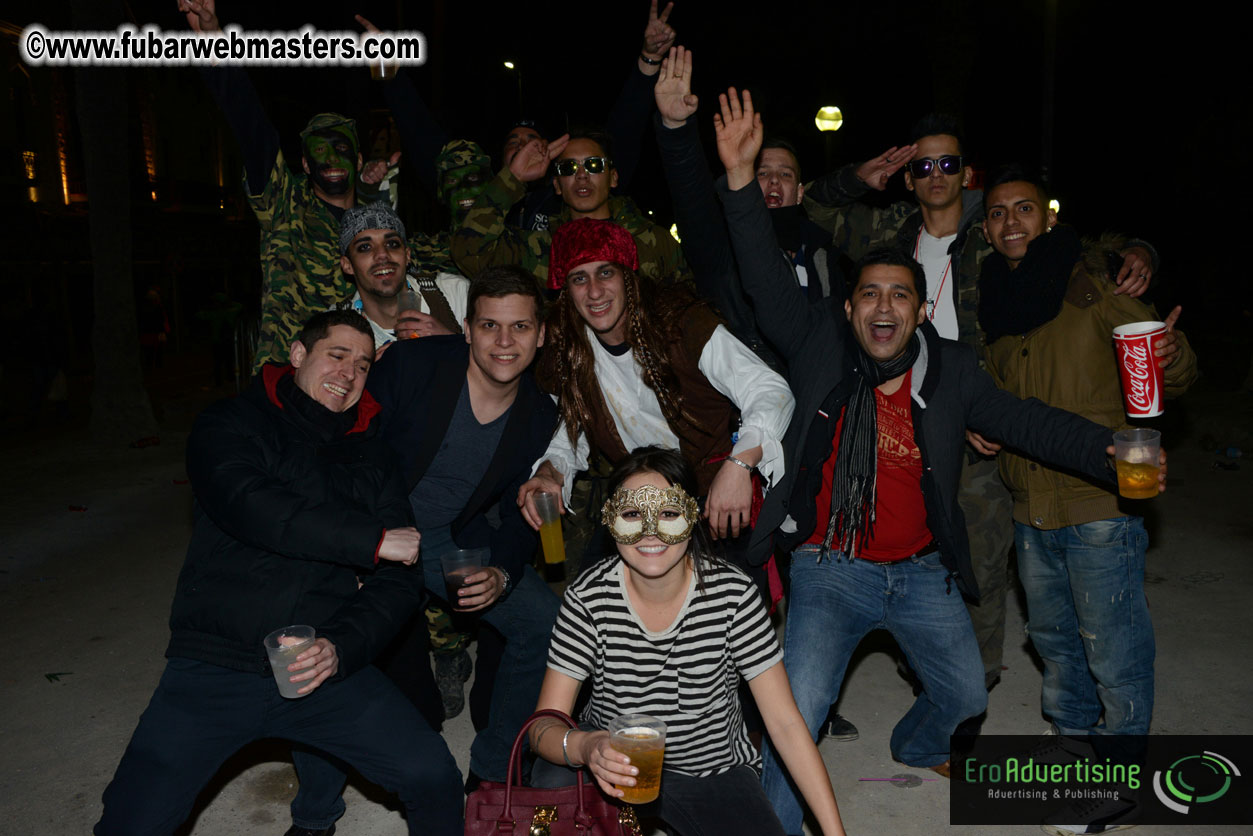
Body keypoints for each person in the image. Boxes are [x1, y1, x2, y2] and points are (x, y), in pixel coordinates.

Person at [711, 87, 1155, 833]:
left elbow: (1022, 419)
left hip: (919, 570)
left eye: (900, 297)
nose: (883, 308)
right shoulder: (816, 344)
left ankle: (914, 743)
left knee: (966, 699)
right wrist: (735, 179)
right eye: (868, 295)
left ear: (920, 312)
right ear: (847, 308)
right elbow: (758, 269)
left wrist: (1105, 449)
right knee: (803, 706)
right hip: (831, 565)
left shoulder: (950, 368)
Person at [802, 112, 1159, 695]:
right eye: (923, 165)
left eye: (947, 164)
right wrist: (855, 177)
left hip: (976, 413)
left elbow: (1076, 244)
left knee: (982, 561)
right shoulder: (889, 229)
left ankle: (971, 689)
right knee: (903, 552)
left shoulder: (993, 228)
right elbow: (811, 212)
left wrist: (1140, 251)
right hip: (893, 415)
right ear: (909, 178)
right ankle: (928, 674)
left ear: (966, 174)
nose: (936, 175)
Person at [94, 310, 462, 836]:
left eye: (362, 365)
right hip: (216, 663)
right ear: (297, 356)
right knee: (131, 820)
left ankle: (316, 816)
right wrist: (370, 540)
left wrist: (342, 646)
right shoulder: (231, 422)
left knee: (433, 775)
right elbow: (251, 504)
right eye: (336, 355)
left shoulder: (373, 455)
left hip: (320, 664)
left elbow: (401, 577)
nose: (349, 373)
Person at [287, 267, 562, 832]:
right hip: (370, 526)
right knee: (324, 645)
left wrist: (503, 575)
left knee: (543, 622)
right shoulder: (415, 366)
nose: (504, 342)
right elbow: (348, 442)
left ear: (542, 336)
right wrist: (361, 548)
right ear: (466, 329)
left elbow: (516, 508)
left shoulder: (540, 412)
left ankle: (493, 773)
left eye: (519, 327)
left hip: (444, 541)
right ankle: (315, 816)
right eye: (489, 325)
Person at [977, 167, 1195, 748]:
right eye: (998, 213)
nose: (1011, 222)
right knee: (1053, 641)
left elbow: (1168, 366)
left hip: (1099, 499)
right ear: (987, 230)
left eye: (1023, 208)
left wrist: (1169, 354)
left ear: (1048, 218)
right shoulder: (996, 305)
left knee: (1114, 646)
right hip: (1028, 504)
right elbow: (994, 397)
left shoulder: (1095, 285)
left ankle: (1121, 768)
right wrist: (981, 427)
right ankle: (1073, 742)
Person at [528, 447, 847, 836]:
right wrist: (587, 747)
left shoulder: (733, 595)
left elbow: (784, 723)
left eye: (668, 513)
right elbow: (542, 726)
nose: (649, 531)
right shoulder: (588, 598)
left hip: (712, 769)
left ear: (692, 516)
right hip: (613, 765)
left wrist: (835, 833)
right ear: (611, 521)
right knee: (549, 787)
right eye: (632, 514)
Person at [516, 218, 793, 573]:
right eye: (579, 278)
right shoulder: (567, 351)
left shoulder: (681, 323)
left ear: (627, 277)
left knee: (724, 613)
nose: (595, 292)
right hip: (637, 499)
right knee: (598, 602)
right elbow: (569, 436)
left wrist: (740, 464)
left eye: (605, 273)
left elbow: (770, 390)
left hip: (713, 498)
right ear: (566, 291)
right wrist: (549, 472)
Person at [178, 0, 412, 371]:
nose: (331, 160)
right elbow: (251, 126)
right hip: (286, 384)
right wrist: (213, 38)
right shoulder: (285, 205)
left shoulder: (377, 227)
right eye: (318, 152)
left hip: (357, 384)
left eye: (341, 150)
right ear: (304, 163)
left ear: (359, 160)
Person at [652, 46, 844, 373]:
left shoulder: (825, 254)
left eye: (785, 174)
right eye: (762, 172)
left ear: (799, 193)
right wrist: (676, 129)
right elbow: (694, 203)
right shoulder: (723, 248)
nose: (772, 181)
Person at [451, 130, 692, 291]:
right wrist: (513, 178)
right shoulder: (540, 249)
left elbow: (687, 312)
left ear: (613, 177)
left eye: (593, 164)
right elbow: (470, 253)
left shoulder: (655, 242)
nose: (581, 175)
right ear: (557, 185)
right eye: (568, 168)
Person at [330, 202, 469, 350]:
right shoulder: (334, 325)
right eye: (365, 247)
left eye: (392, 244)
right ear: (347, 265)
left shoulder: (455, 293)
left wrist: (450, 342)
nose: (382, 254)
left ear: (407, 255)